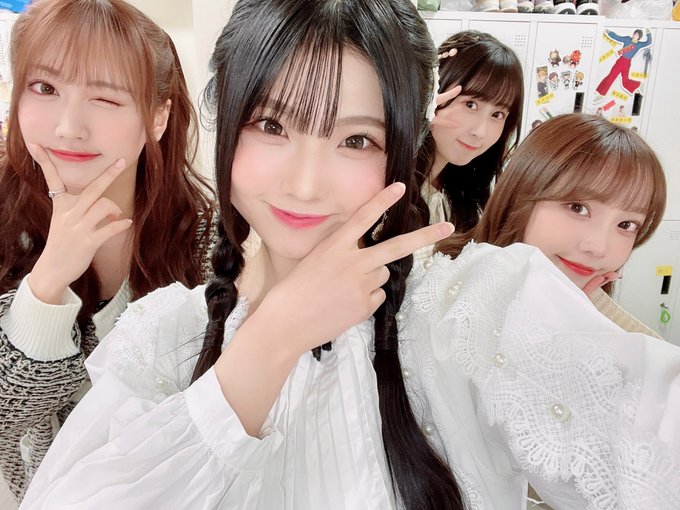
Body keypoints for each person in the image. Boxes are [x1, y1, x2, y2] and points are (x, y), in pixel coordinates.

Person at [22, 1, 680, 509]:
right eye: (272, 126)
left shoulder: (472, 305)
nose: (306, 184)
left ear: (402, 150)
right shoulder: (164, 335)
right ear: (225, 121)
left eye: (357, 140)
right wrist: (274, 337)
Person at [0, 0, 216, 504]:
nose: (68, 126)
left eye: (104, 98)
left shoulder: (209, 244)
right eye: (45, 88)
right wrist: (48, 281)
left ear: (158, 117)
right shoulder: (6, 226)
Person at [438, 113, 665, 337]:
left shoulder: (622, 338)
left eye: (626, 224)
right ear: (521, 192)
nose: (598, 248)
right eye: (578, 208)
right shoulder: (433, 282)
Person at [417, 30, 524, 233]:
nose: (480, 132)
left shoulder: (463, 197)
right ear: (435, 91)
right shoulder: (388, 180)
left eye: (497, 114)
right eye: (470, 104)